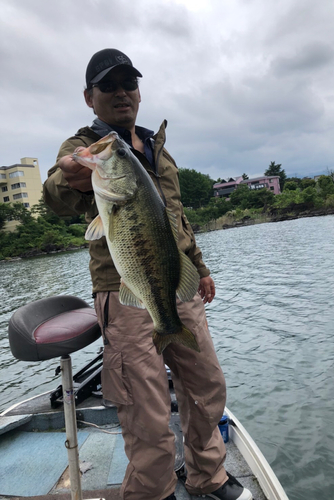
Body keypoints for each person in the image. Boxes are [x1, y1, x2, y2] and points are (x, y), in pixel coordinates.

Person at [43, 48, 252, 500]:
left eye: (128, 84)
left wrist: (200, 268)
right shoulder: (84, 147)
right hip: (126, 290)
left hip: (179, 282)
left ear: (138, 92)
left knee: (207, 386)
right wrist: (70, 174)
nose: (121, 93)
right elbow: (55, 194)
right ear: (88, 97)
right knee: (146, 408)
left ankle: (207, 475)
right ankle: (152, 493)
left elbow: (175, 217)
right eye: (108, 86)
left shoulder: (157, 147)